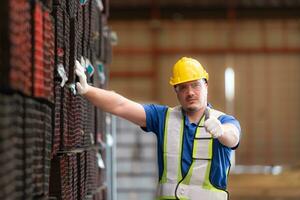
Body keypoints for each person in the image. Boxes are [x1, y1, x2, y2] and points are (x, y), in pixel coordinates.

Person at [75, 57, 241, 200]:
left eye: (195, 85)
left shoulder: (222, 121)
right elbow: (121, 105)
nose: (190, 92)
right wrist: (87, 90)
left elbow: (233, 136)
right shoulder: (163, 118)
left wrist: (221, 131)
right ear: (176, 91)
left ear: (206, 85)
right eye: (183, 87)